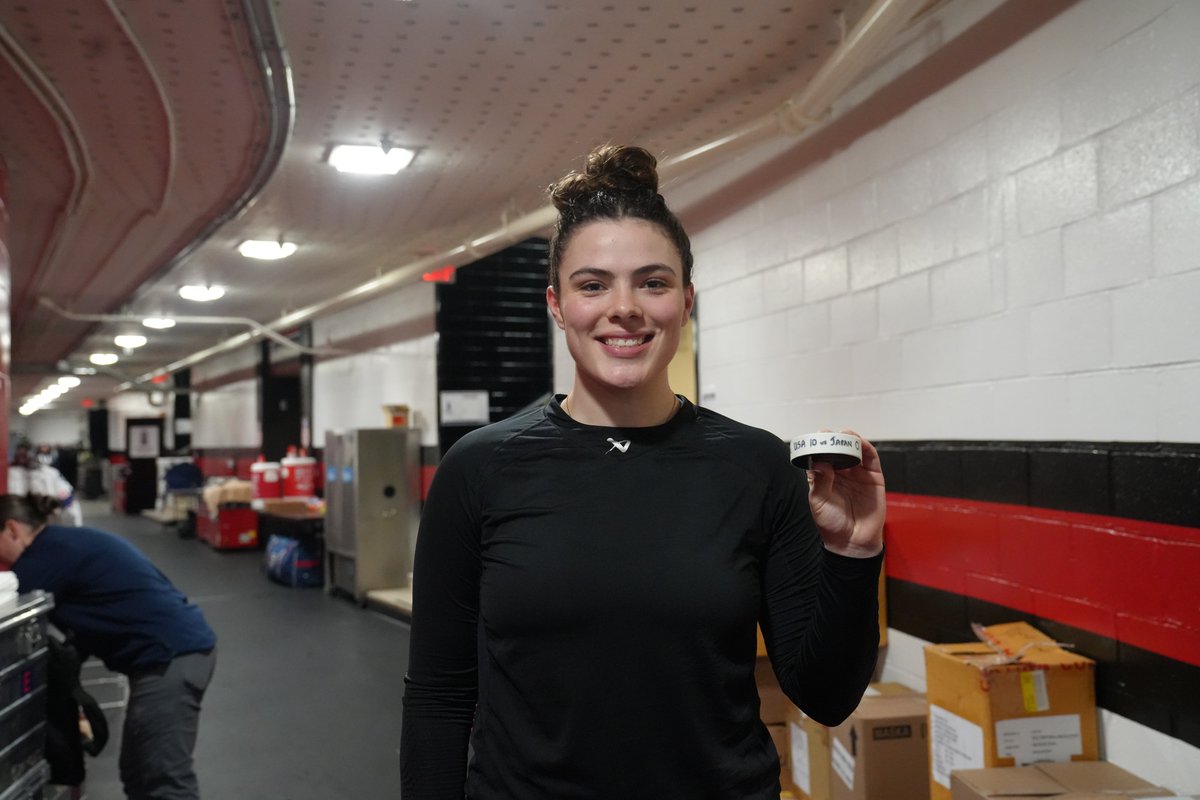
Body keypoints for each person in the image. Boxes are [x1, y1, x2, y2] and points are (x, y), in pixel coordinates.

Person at [399, 144, 886, 799]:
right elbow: (439, 692)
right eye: (593, 284)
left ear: (686, 302)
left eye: (652, 283)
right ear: (556, 303)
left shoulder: (756, 465)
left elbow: (825, 697)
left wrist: (853, 556)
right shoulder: (481, 469)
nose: (623, 307)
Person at [0, 493, 217, 800]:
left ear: (12, 530)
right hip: (175, 651)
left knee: (165, 780)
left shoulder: (42, 558)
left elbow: (8, 607)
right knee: (137, 773)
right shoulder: (66, 543)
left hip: (169, 658)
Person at [10, 442, 82, 526]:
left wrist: (60, 503)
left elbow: (66, 493)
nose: (24, 457)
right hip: (22, 515)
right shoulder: (12, 473)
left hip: (46, 515)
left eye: (26, 453)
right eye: (20, 453)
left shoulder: (49, 473)